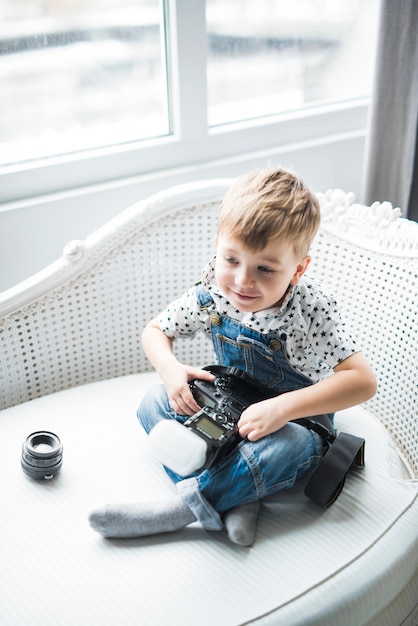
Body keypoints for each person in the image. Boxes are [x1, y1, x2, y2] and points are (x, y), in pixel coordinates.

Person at [89, 167, 377, 546]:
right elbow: (155, 331)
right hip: (227, 402)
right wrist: (171, 369)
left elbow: (362, 381)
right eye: (231, 260)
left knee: (287, 447)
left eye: (265, 269)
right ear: (218, 246)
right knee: (153, 402)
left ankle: (183, 509)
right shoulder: (212, 293)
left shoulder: (312, 307)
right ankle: (239, 496)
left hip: (294, 420)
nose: (243, 281)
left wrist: (283, 409)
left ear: (298, 269)